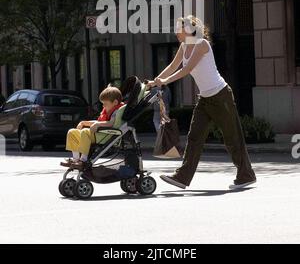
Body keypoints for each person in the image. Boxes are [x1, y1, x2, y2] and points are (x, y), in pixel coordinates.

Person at [147, 15, 256, 191]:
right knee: (194, 137)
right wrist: (155, 81)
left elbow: (186, 70)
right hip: (204, 99)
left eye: (178, 29)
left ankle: (246, 175)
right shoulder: (183, 47)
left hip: (221, 96)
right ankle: (182, 177)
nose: (176, 32)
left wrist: (164, 81)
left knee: (232, 137)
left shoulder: (201, 44)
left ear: (189, 29)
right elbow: (173, 66)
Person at [60, 86, 124, 170]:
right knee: (72, 132)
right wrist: (84, 122)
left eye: (105, 103)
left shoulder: (116, 111)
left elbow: (110, 123)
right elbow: (99, 121)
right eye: (102, 104)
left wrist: (97, 125)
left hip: (105, 135)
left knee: (85, 131)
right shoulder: (108, 109)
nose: (103, 106)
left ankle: (83, 160)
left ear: (115, 102)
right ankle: (76, 158)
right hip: (98, 133)